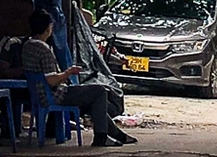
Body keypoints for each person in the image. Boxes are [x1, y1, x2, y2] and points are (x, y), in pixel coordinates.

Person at [21, 10, 134, 146]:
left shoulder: (27, 45)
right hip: (53, 94)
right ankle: (101, 136)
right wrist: (69, 72)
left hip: (38, 93)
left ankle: (115, 134)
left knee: (92, 101)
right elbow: (51, 80)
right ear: (47, 28)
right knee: (100, 91)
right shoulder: (44, 49)